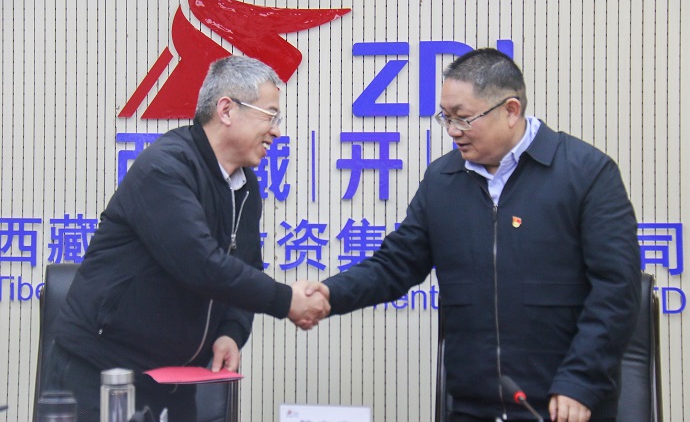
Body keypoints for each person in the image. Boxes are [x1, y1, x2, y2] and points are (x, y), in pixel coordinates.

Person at [317, 48, 641, 422]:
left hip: (563, 405)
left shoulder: (586, 173)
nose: (453, 131)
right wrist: (326, 294)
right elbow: (395, 265)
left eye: (464, 118)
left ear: (511, 110)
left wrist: (581, 382)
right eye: (446, 117)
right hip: (472, 406)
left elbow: (616, 287)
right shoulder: (443, 179)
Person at [46, 55, 330, 421]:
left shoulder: (244, 185)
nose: (276, 131)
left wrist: (231, 332)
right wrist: (286, 300)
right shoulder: (165, 168)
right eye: (270, 116)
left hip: (175, 379)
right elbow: (200, 264)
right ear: (226, 110)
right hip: (101, 372)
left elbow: (247, 267)